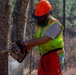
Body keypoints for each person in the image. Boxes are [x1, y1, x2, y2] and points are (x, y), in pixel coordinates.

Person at [16, 0, 64, 75]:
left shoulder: (55, 25)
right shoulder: (40, 26)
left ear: (48, 13)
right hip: (44, 56)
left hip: (54, 56)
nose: (39, 19)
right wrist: (26, 46)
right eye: (37, 17)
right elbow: (37, 39)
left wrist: (28, 42)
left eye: (41, 17)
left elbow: (44, 39)